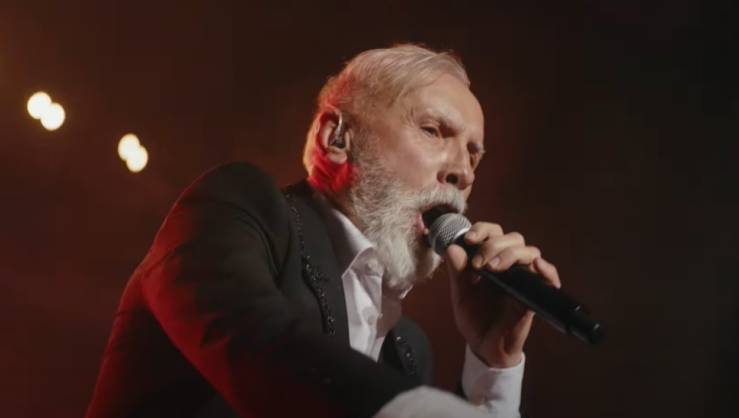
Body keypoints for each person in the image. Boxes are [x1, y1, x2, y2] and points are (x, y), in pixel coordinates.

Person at [85, 44, 561, 418]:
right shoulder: (241, 207)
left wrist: (492, 365)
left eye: (474, 155)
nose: (463, 172)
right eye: (434, 131)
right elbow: (253, 340)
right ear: (337, 138)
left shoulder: (407, 349)